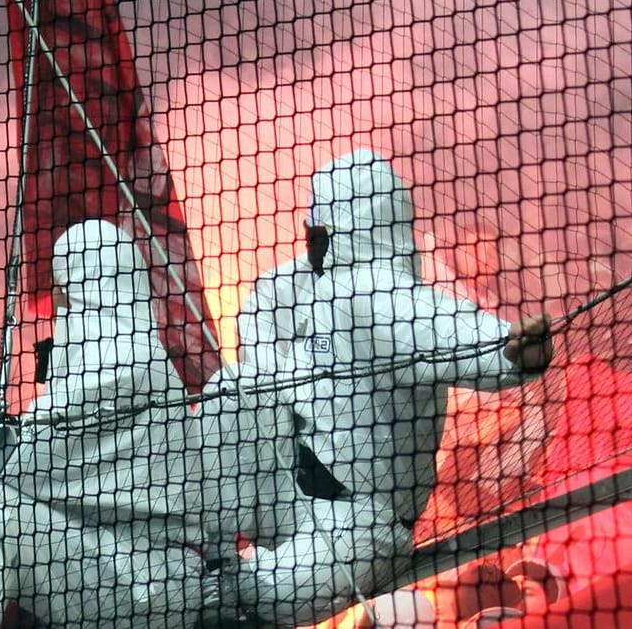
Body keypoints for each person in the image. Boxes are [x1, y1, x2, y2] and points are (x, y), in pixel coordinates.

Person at [0, 220, 295, 629]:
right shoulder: (135, 360)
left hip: (149, 586)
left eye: (59, 289)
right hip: (129, 569)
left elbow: (14, 463)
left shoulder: (120, 368)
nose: (55, 306)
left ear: (76, 286)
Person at [226, 151, 554, 626]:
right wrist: (288, 376)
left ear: (349, 224)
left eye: (320, 228)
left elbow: (449, 332)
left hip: (359, 524)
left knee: (262, 596)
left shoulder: (383, 297)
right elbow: (259, 322)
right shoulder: (303, 285)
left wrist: (507, 353)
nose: (312, 238)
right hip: (290, 483)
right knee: (230, 392)